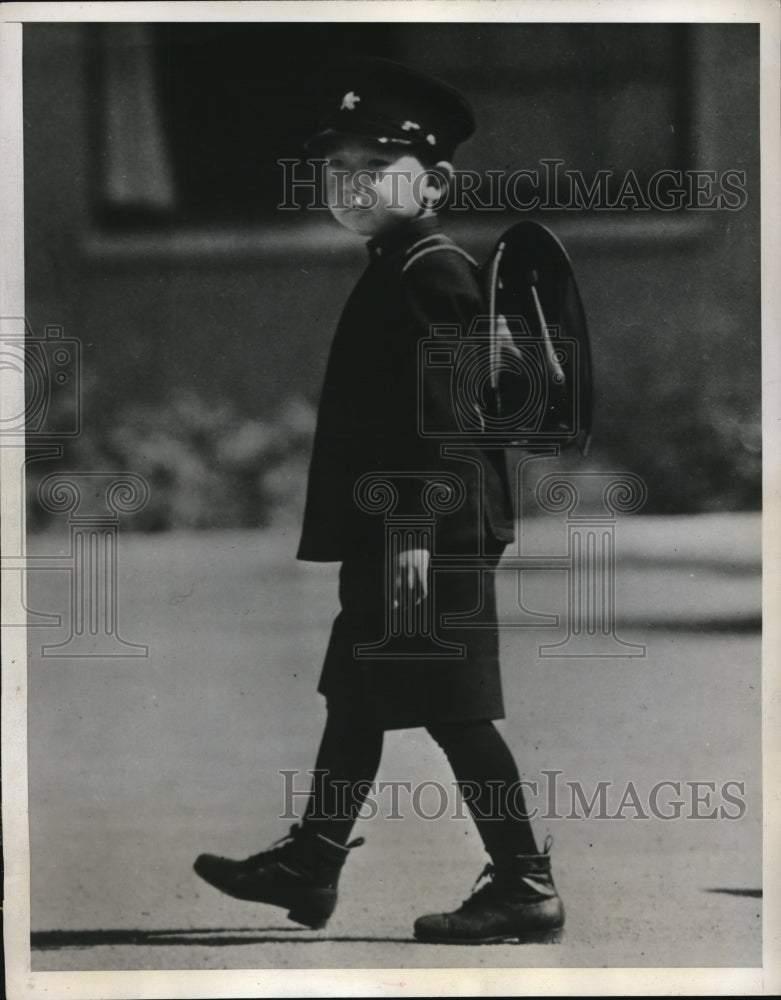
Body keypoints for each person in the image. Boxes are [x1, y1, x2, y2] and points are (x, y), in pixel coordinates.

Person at [194, 56, 564, 945]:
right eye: (336, 169)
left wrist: (409, 532)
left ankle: (523, 883)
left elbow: (441, 421)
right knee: (356, 695)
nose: (348, 184)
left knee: (452, 706)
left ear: (433, 181)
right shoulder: (400, 261)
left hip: (424, 531)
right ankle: (311, 862)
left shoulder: (429, 270)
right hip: (397, 530)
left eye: (373, 168)